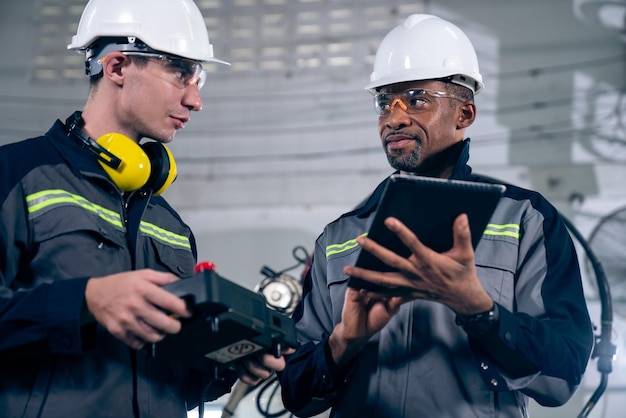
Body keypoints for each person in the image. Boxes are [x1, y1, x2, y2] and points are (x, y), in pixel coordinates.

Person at [278, 13, 594, 418]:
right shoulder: (340, 238)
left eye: (417, 99)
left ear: (464, 114)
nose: (394, 118)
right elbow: (295, 394)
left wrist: (481, 311)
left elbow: (563, 373)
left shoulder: (525, 221)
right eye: (384, 102)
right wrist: (344, 342)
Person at [0, 1, 289, 417]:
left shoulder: (169, 225)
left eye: (199, 77)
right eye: (180, 73)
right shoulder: (16, 175)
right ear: (116, 67)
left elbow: (179, 386)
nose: (196, 100)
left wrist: (230, 361)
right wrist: (84, 300)